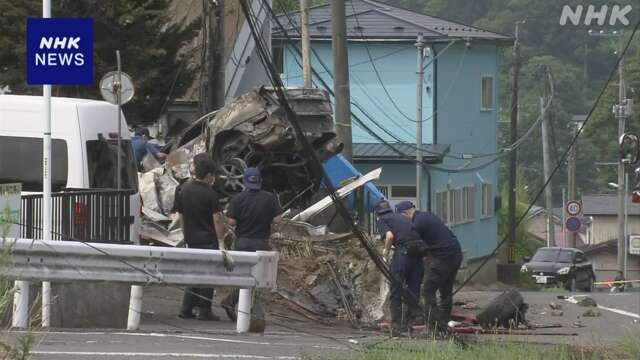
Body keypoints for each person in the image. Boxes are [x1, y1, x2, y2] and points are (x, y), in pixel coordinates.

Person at [221, 167, 282, 332]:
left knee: (242, 276)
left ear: (245, 182)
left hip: (242, 243)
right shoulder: (270, 198)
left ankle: (233, 302)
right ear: (260, 181)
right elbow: (277, 220)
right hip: (261, 243)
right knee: (255, 279)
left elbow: (232, 222)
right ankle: (240, 306)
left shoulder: (238, 198)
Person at [395, 200, 462, 329]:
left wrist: (405, 250)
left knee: (428, 291)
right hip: (455, 253)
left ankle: (434, 326)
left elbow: (416, 246)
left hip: (443, 257)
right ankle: (444, 321)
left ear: (404, 214)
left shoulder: (416, 224)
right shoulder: (427, 216)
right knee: (446, 291)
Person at [174, 157, 226, 320]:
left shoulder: (184, 190)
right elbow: (217, 219)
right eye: (214, 175)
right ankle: (204, 310)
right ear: (209, 175)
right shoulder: (210, 194)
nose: (214, 179)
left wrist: (186, 236)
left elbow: (181, 217)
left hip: (191, 239)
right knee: (208, 275)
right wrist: (221, 241)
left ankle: (186, 309)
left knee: (193, 274)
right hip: (208, 240)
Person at [374, 199, 425, 335]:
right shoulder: (404, 218)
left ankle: (396, 326)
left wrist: (385, 251)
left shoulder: (382, 220)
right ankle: (411, 325)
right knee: (414, 288)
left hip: (404, 253)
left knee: (396, 286)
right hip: (419, 253)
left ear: (377, 213)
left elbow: (390, 237)